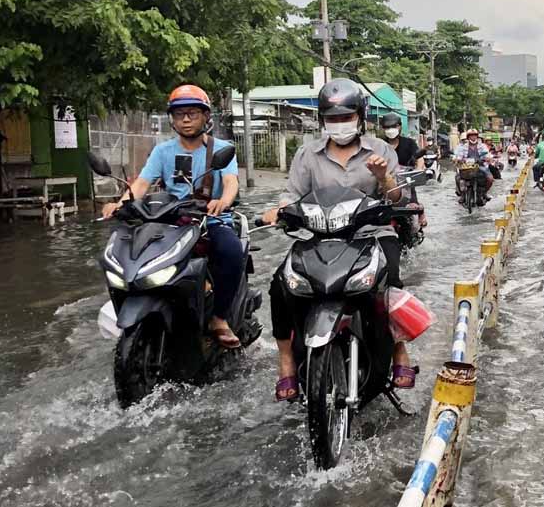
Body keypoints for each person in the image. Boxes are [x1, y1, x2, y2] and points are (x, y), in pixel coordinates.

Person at [261, 79, 417, 400]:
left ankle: (399, 349)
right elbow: (291, 195)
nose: (339, 124)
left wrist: (382, 177)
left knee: (392, 278)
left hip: (370, 235)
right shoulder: (308, 154)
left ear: (360, 117)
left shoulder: (381, 151)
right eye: (332, 119)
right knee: (281, 284)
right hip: (318, 237)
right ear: (322, 121)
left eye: (345, 117)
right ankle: (287, 360)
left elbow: (399, 198)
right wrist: (276, 210)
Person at [102, 85, 242, 349]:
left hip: (208, 220)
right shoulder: (162, 151)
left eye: (191, 113)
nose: (185, 119)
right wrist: (119, 204)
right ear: (172, 119)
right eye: (179, 115)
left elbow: (231, 181)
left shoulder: (222, 148)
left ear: (205, 117)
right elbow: (142, 183)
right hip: (169, 223)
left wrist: (223, 201)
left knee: (232, 251)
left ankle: (219, 318)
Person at [453, 128, 493, 202]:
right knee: (458, 177)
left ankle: (484, 193)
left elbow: (487, 154)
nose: (473, 137)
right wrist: (458, 159)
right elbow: (459, 156)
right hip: (466, 167)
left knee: (490, 179)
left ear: (477, 137)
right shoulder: (463, 147)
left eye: (474, 136)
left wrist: (488, 158)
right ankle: (462, 195)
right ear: (468, 137)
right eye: (471, 136)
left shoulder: (482, 146)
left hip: (480, 166)